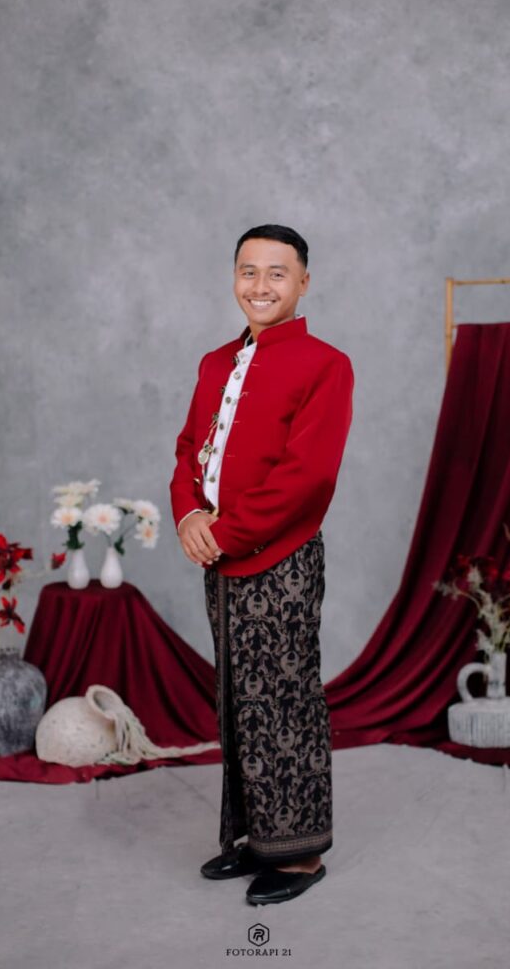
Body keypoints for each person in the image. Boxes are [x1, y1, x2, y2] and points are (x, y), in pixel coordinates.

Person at [169, 224, 354, 905]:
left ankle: (300, 856)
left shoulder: (326, 364)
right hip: (219, 558)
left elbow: (308, 477)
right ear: (234, 279)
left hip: (281, 559)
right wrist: (189, 516)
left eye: (278, 273)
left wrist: (225, 533)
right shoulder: (215, 362)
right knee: (239, 704)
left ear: (303, 282)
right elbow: (189, 450)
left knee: (284, 703)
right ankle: (256, 839)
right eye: (248, 271)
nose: (261, 285)